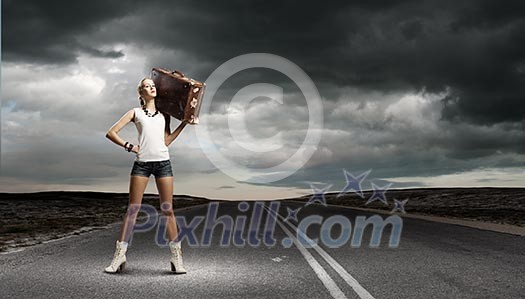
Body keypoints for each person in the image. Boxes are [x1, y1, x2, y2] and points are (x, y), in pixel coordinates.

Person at [104, 77, 188, 274]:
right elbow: (111, 132)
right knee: (133, 209)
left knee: (167, 209)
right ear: (140, 93)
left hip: (163, 163)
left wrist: (182, 125)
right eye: (146, 86)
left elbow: (165, 141)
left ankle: (177, 259)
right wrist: (130, 146)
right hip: (142, 164)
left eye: (153, 85)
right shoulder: (135, 112)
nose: (151, 87)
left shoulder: (164, 115)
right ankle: (119, 256)